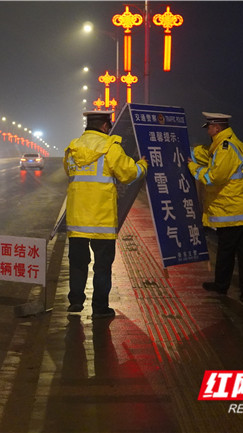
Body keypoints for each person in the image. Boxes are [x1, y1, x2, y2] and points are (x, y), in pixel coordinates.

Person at [63, 110, 148, 319]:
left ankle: (75, 301)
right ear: (104, 126)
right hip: (102, 220)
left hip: (78, 219)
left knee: (77, 262)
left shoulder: (72, 148)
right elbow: (128, 174)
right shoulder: (111, 148)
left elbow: (69, 172)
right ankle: (100, 307)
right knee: (102, 265)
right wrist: (142, 165)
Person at [187, 112, 243, 303]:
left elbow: (214, 177)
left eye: (209, 127)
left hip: (231, 209)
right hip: (241, 207)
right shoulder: (225, 144)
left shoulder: (225, 148)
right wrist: (191, 151)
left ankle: (223, 285)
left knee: (227, 250)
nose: (207, 130)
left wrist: (193, 168)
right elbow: (209, 155)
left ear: (217, 128)